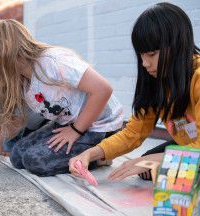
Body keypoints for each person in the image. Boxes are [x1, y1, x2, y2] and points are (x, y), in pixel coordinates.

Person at [0, 19, 124, 176]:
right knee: (18, 156)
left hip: (100, 125)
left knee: (35, 161)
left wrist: (76, 130)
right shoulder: (19, 79)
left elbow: (103, 89)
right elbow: (11, 126)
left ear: (5, 51)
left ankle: (101, 155)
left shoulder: (52, 61)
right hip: (68, 124)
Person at [69, 2, 200, 181]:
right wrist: (90, 154)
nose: (145, 64)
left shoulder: (198, 78)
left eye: (152, 54)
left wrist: (161, 159)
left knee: (153, 164)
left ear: (177, 45)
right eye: (141, 55)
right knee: (144, 168)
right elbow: (133, 133)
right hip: (189, 145)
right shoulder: (157, 80)